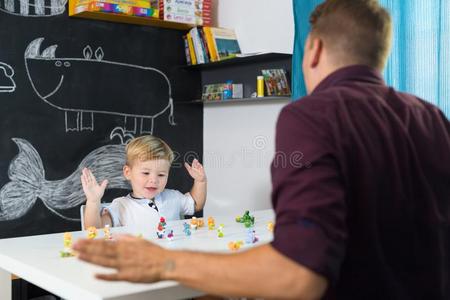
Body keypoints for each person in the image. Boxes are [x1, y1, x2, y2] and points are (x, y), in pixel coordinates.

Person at [74, 1, 450, 299]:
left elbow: (298, 275)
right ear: (379, 55)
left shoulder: (312, 114)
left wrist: (163, 264)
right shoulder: (432, 117)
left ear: (314, 49)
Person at [81, 135, 207, 229]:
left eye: (161, 174)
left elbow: (196, 205)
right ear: (127, 172)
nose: (154, 180)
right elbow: (95, 230)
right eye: (146, 173)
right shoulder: (121, 206)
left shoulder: (172, 197)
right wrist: (93, 201)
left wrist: (200, 181)